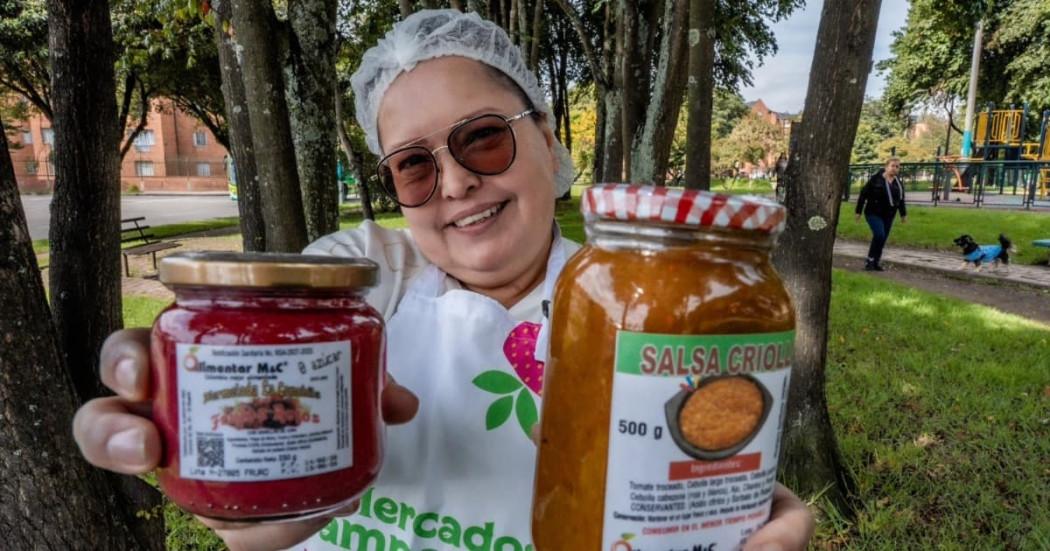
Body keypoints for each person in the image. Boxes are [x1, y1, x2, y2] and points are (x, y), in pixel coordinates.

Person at [72, 10, 814, 551]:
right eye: (415, 165)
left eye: (483, 137)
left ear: (548, 140)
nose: (455, 181)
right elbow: (267, 345)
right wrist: (240, 498)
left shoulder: (630, 301)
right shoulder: (359, 283)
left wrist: (722, 510)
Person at [854, 157, 907, 271]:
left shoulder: (898, 183)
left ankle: (874, 261)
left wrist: (903, 214)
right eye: (892, 166)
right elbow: (863, 194)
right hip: (873, 212)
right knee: (879, 235)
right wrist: (858, 211)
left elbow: (901, 199)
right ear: (886, 167)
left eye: (897, 167)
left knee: (882, 239)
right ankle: (870, 260)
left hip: (889, 214)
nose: (895, 169)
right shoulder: (876, 179)